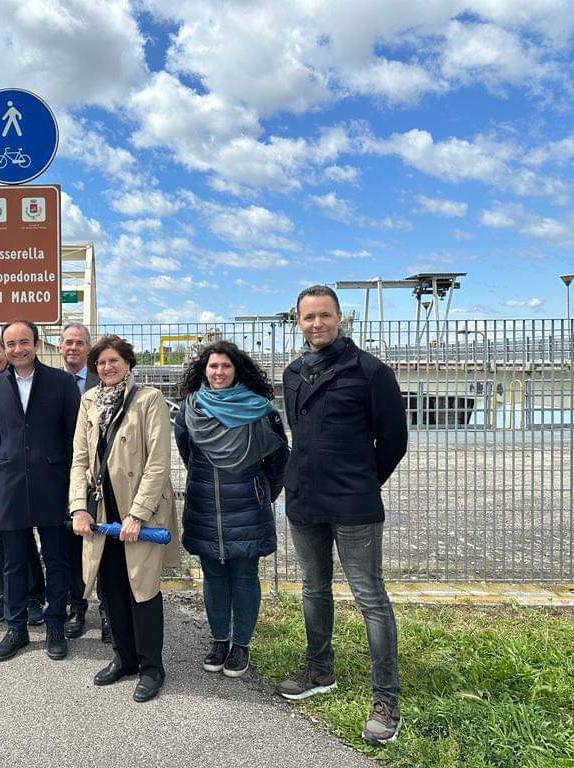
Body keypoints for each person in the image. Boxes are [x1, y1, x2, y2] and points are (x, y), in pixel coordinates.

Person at [275, 285, 408, 746]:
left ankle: (386, 698)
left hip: (354, 503)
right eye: (308, 317)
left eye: (324, 316)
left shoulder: (371, 372)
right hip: (305, 501)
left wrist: (363, 482)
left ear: (340, 317)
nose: (317, 324)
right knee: (313, 588)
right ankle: (319, 668)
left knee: (370, 596)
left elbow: (393, 441)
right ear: (298, 322)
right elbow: (300, 434)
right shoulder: (293, 374)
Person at [70, 335, 177, 703]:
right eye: (100, 362)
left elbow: (158, 463)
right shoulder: (88, 402)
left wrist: (138, 514)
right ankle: (123, 657)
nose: (107, 367)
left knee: (142, 588)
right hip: (102, 511)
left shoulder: (149, 399)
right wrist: (78, 507)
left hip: (138, 512)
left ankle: (151, 668)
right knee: (110, 587)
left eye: (114, 360)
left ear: (128, 363)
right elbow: (80, 460)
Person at [174, 341, 288, 678]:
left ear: (236, 370)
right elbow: (186, 453)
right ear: (204, 371)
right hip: (204, 505)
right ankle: (219, 641)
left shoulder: (260, 410)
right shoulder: (190, 410)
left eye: (225, 366)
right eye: (213, 366)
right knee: (213, 577)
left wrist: (260, 491)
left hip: (248, 506)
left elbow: (279, 459)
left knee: (244, 577)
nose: (219, 372)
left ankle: (241, 646)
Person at [0, 319, 80, 662]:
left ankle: (54, 623)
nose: (17, 349)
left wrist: (75, 487)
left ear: (37, 344)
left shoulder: (62, 382)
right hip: (8, 485)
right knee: (13, 562)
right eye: (11, 344)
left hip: (53, 483)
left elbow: (74, 439)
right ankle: (17, 627)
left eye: (24, 342)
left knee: (56, 559)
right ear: (5, 348)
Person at [0, 334, 47, 627]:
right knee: (1, 542)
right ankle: (5, 596)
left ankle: (33, 596)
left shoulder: (25, 383)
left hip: (31, 472)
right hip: (0, 474)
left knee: (25, 542)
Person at [58, 321, 109, 643]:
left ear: (88, 349)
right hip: (61, 480)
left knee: (102, 546)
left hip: (99, 480)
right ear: (60, 347)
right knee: (69, 548)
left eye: (79, 343)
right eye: (68, 342)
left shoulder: (102, 381)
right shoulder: (49, 383)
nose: (73, 347)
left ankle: (108, 611)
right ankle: (76, 607)